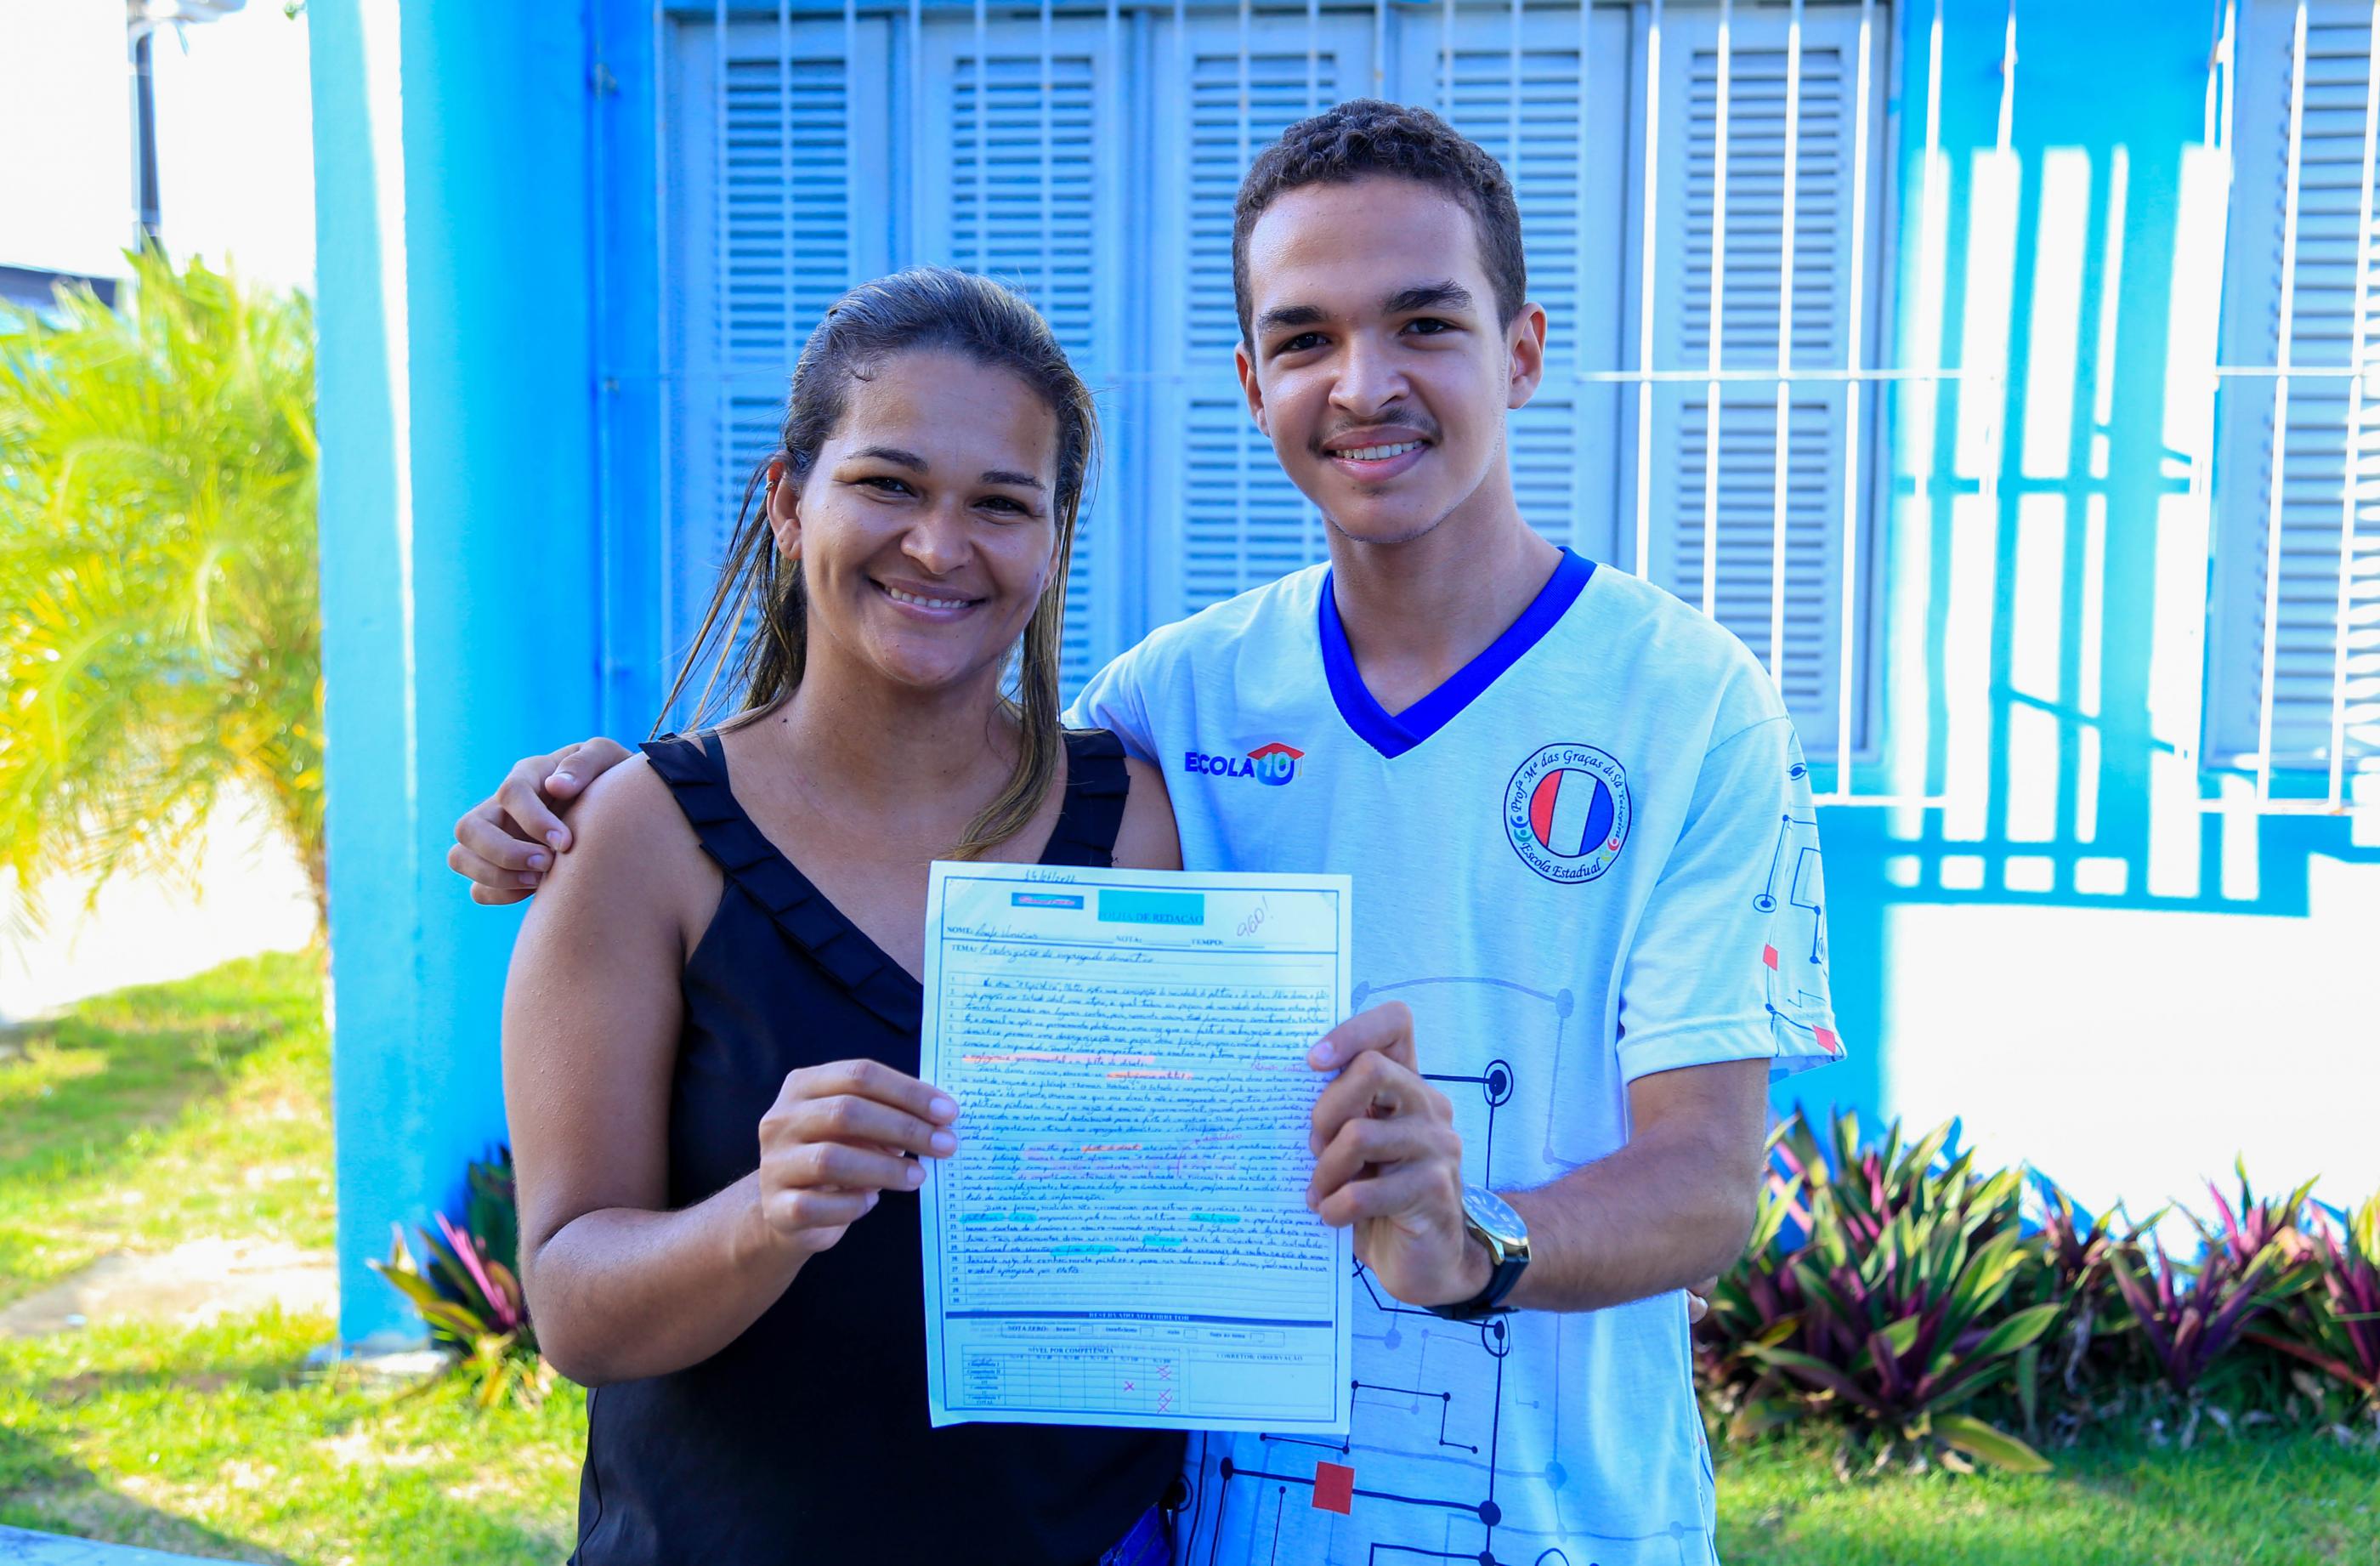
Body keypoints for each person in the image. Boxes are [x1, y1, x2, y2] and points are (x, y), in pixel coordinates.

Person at [457, 103, 1842, 1565]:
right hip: (1222, 1526)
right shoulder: (1167, 710)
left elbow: (1708, 1181)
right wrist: (608, 804)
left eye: (1424, 323)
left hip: (1557, 1526)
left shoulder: (1693, 704)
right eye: (1305, 337)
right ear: (1253, 381)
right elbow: (891, 770)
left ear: (1524, 350)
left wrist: (1476, 1240)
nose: (1363, 382)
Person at [497, 267, 1186, 1564]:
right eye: (889, 483)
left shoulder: (1137, 822)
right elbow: (575, 1306)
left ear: (1055, 539)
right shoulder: (640, 839)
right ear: (787, 498)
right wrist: (765, 1214)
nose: (939, 544)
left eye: (1001, 503)